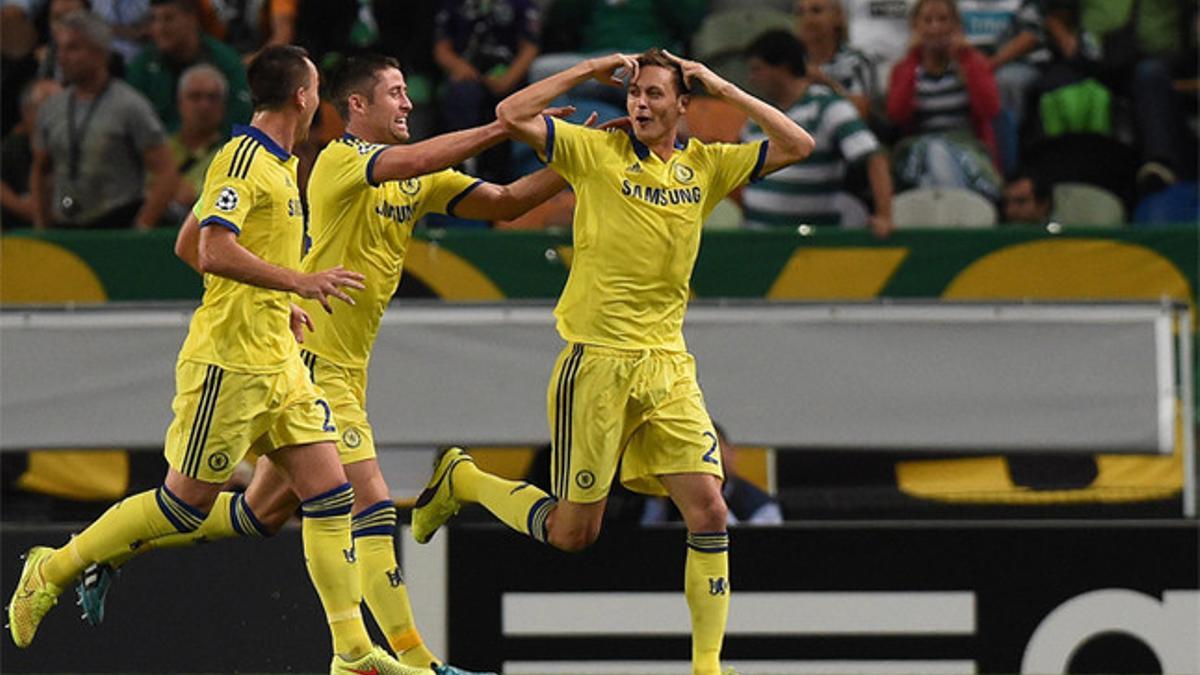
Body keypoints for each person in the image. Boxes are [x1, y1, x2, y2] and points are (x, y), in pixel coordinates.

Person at [72, 51, 589, 675]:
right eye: (395, 93)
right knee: (365, 501)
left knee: (256, 515)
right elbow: (423, 158)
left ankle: (110, 550)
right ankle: (415, 663)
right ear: (356, 106)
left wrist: (582, 161)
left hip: (344, 365)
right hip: (308, 360)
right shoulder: (339, 162)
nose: (407, 103)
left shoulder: (412, 178)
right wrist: (508, 124)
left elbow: (506, 201)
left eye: (407, 91)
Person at [8, 44, 429, 675]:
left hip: (280, 361)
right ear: (303, 98)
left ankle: (352, 654)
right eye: (317, 90)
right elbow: (207, 249)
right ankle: (55, 565)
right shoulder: (244, 158)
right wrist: (295, 283)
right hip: (229, 365)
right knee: (184, 505)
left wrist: (272, 302)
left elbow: (188, 242)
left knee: (330, 493)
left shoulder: (285, 166)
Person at [410, 48, 814, 675]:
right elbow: (511, 112)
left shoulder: (704, 166)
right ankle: (463, 480)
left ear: (683, 105)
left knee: (708, 506)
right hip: (596, 361)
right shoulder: (593, 151)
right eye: (636, 94)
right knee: (576, 534)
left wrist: (721, 87)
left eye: (656, 94)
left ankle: (707, 664)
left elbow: (797, 144)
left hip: (668, 365)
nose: (642, 104)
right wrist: (585, 71)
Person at [30, 9, 178, 229]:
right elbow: (40, 169)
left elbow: (166, 170)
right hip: (65, 224)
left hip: (116, 223)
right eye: (59, 48)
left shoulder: (130, 105)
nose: (62, 57)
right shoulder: (52, 108)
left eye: (73, 48)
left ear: (100, 53)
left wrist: (142, 225)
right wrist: (42, 225)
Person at [743, 29, 893, 235]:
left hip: (811, 241)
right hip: (756, 240)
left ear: (782, 68)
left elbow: (873, 157)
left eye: (757, 70)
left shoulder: (827, 107)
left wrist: (884, 215)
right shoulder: (757, 114)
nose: (751, 79)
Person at [886, 0, 1003, 200]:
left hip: (967, 150)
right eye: (928, 21)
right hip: (918, 152)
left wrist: (966, 58)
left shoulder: (972, 63)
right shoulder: (905, 69)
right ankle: (956, 214)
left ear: (956, 26)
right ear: (916, 27)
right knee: (933, 152)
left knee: (935, 160)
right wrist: (914, 57)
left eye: (943, 20)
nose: (935, 28)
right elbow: (897, 113)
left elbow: (990, 108)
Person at [433, 0, 539, 182]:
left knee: (510, 107)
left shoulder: (521, 4)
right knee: (462, 96)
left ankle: (504, 176)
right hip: (466, 76)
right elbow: (441, 48)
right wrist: (460, 68)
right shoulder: (453, 5)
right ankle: (462, 169)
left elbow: (530, 47)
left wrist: (509, 78)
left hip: (508, 75)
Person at [125, 0, 252, 133]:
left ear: (192, 19)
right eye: (154, 20)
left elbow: (240, 118)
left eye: (168, 19)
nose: (159, 28)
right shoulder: (144, 66)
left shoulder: (226, 62)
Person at [642, 422, 785, 526]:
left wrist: (709, 496)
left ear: (731, 453)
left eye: (713, 451)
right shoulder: (666, 497)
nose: (705, 463)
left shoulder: (761, 505)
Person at [794, 0, 877, 118]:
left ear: (838, 16)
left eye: (816, 11)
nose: (807, 18)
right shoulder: (789, 63)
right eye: (800, 12)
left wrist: (825, 82)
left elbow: (859, 113)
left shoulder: (856, 62)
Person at [165, 62, 225, 222]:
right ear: (180, 103)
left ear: (223, 106)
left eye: (212, 98)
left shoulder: (232, 155)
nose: (204, 105)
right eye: (195, 97)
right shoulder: (163, 149)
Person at [2, 78, 60, 230]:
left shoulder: (73, 147)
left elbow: (75, 200)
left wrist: (58, 209)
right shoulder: (12, 147)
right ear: (27, 113)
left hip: (69, 232)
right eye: (50, 109)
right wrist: (22, 206)